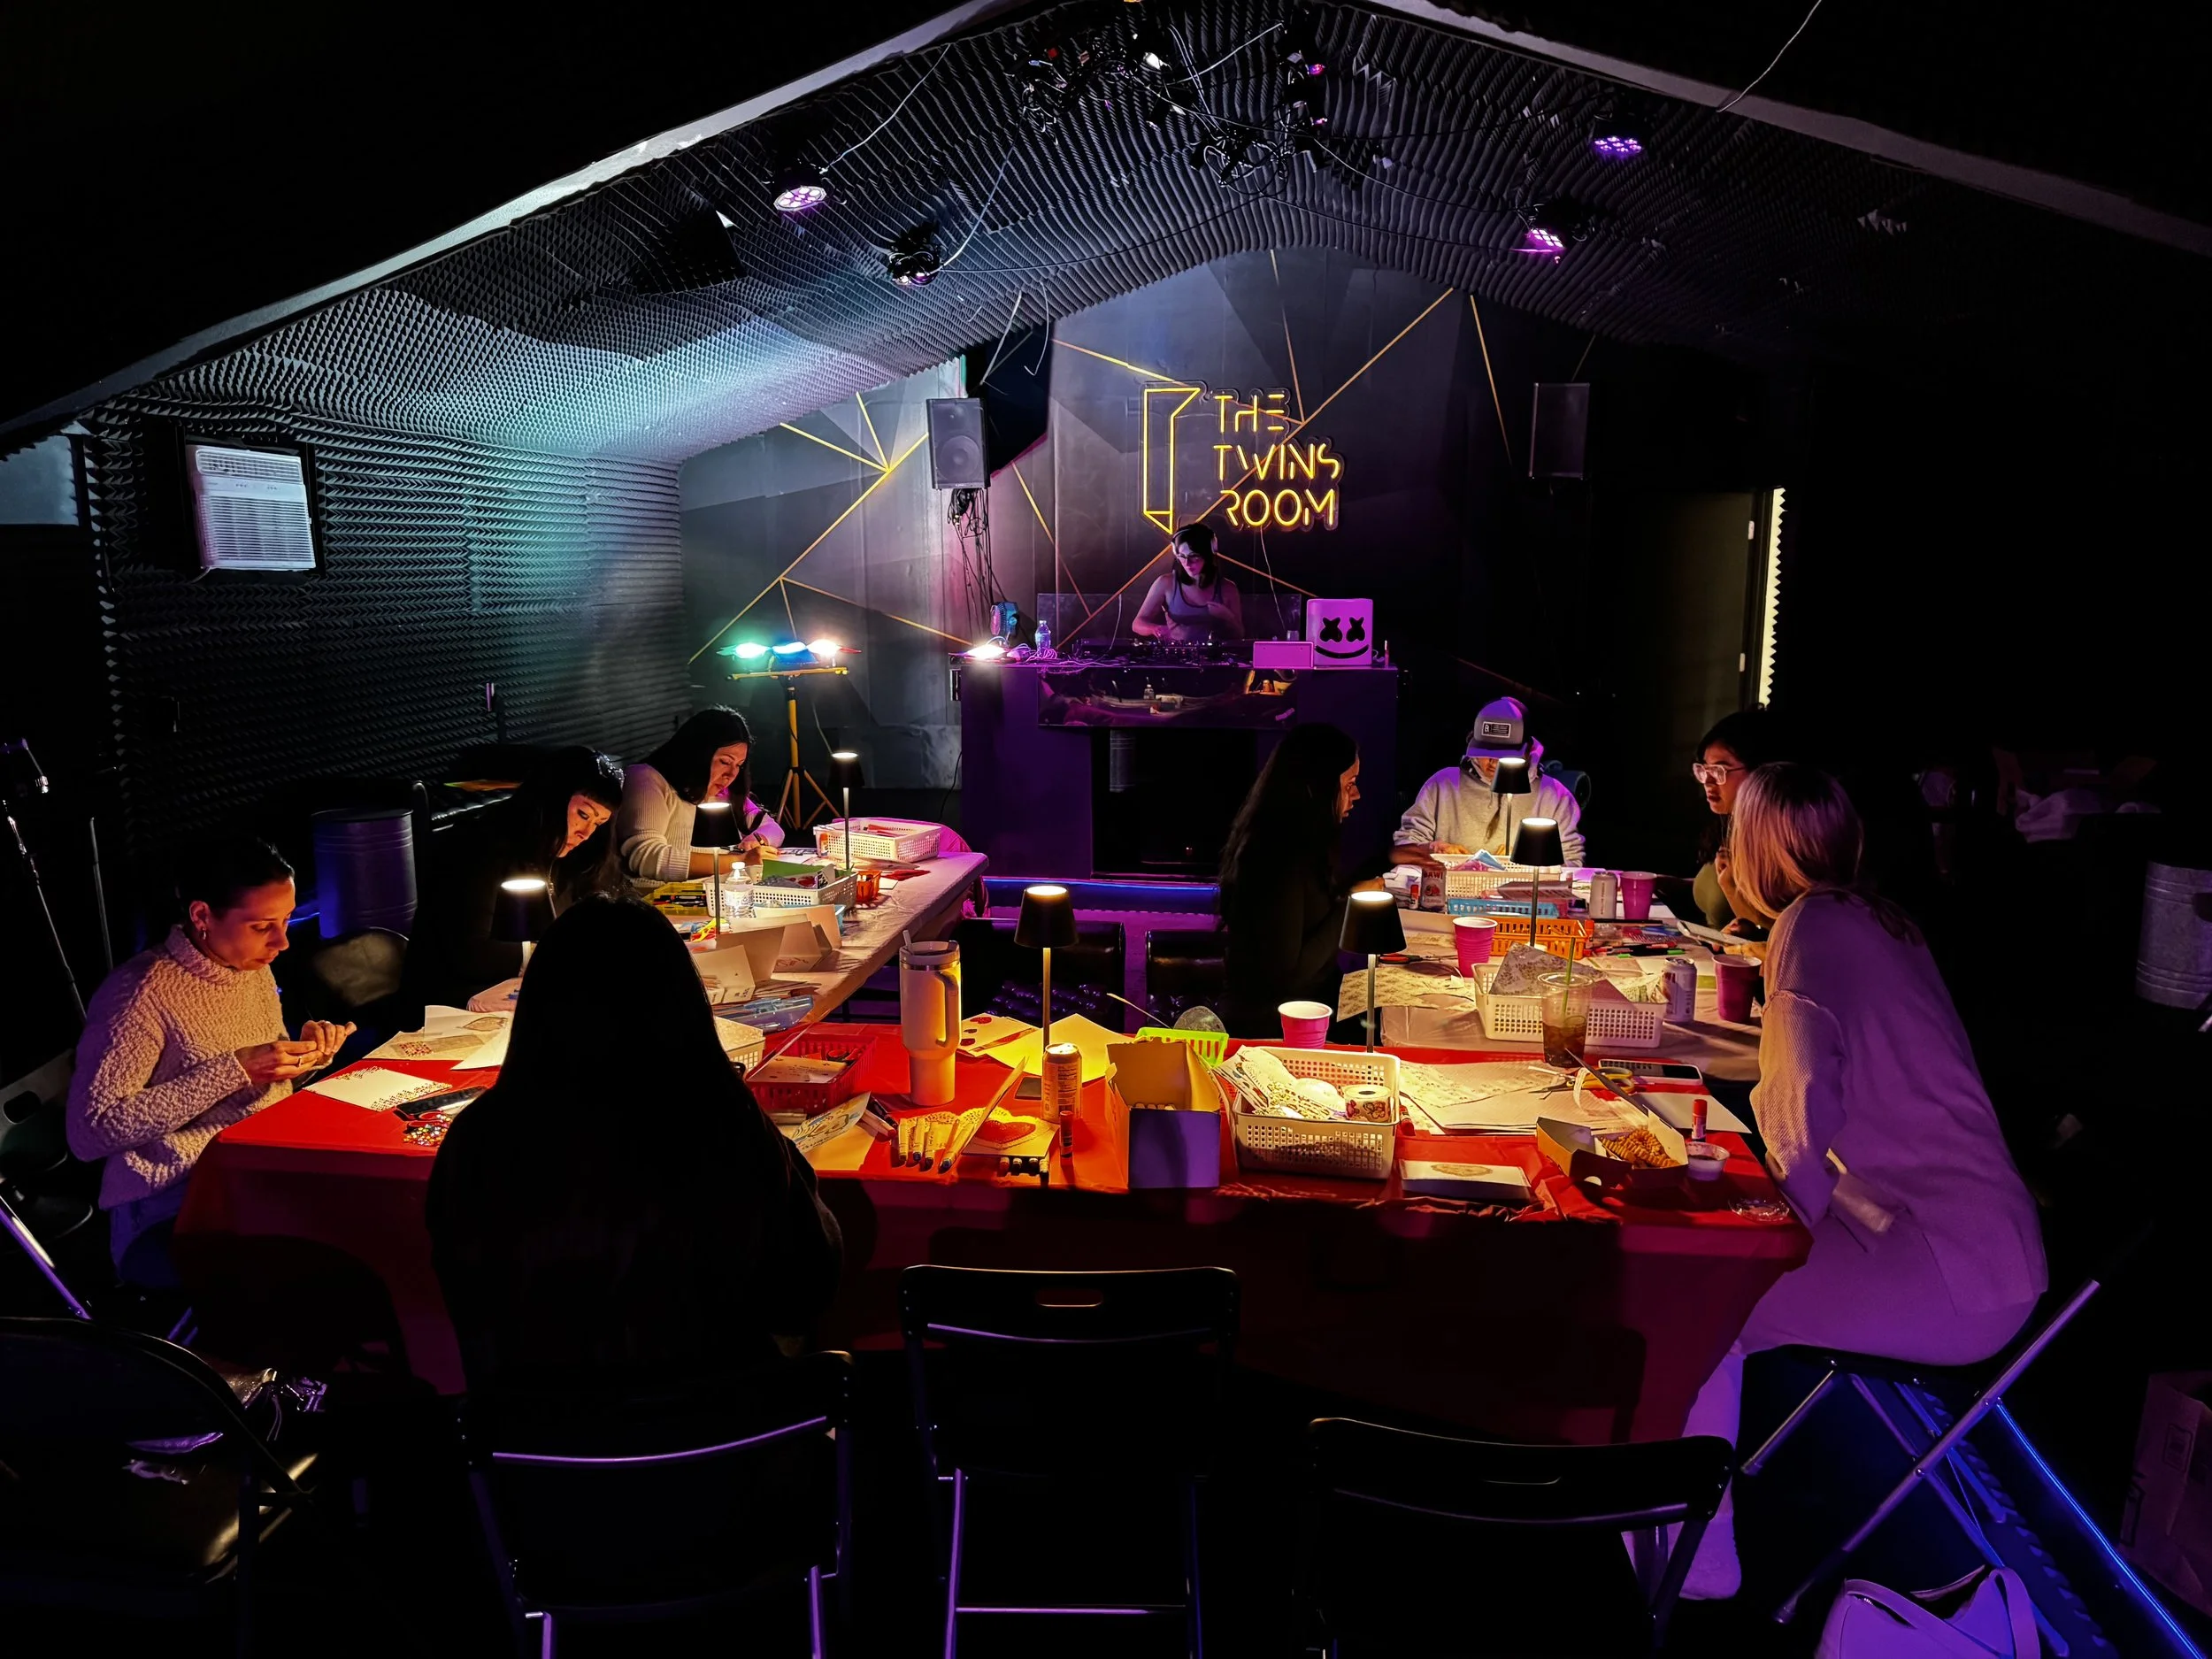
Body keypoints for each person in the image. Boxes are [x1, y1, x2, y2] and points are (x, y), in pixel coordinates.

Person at [1676, 764, 2046, 1598]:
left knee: (1698, 1298)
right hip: (1984, 1242)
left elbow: (1802, 1120)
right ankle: (1694, 1526)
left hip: (1948, 1267)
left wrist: (1750, 1249)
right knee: (1720, 1274)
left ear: (1755, 849)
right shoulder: (1881, 918)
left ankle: (1695, 1561)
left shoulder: (1809, 929)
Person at [425, 893, 842, 1402]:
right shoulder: (717, 1118)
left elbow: (467, 1308)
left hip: (542, 1457)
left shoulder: (478, 1138)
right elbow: (804, 1286)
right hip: (718, 1445)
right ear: (680, 1004)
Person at [66, 837, 352, 1286]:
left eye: (287, 920)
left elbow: (256, 1076)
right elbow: (91, 1130)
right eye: (262, 926)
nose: (282, 941)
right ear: (201, 916)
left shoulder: (250, 966)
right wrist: (233, 1070)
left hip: (257, 1168)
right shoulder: (140, 993)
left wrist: (305, 1057)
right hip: (177, 1201)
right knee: (332, 1252)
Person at [407, 746, 628, 1009]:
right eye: (583, 815)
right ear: (552, 797)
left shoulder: (570, 859)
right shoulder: (478, 847)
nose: (586, 834)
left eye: (598, 824)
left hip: (517, 995)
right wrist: (554, 952)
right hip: (447, 1006)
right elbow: (471, 953)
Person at [1217, 722, 1364, 1037]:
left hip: (1305, 1003)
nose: (1356, 795)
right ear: (1319, 784)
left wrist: (1389, 861)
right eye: (1349, 784)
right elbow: (1289, 976)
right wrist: (1352, 904)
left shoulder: (1301, 839)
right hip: (1276, 1023)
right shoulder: (1277, 858)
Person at [1392, 696, 1586, 868]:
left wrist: (1529, 861)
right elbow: (1405, 846)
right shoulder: (1442, 785)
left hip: (1524, 902)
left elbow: (1572, 863)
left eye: (1504, 756)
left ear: (1526, 751)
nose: (1493, 763)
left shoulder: (1554, 796)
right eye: (1486, 754)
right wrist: (1432, 850)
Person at [618, 706, 787, 883]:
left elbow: (773, 829)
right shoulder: (648, 778)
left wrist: (755, 841)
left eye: (739, 765)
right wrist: (739, 861)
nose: (731, 774)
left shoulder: (723, 793)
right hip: (658, 901)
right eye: (725, 761)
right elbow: (645, 856)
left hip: (717, 894)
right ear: (698, 753)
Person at [1688, 708, 1786, 930]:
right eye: (1704, 769)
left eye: (1721, 770)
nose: (1708, 781)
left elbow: (1779, 933)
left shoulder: (1779, 842)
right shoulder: (1730, 826)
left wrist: (1731, 888)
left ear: (1760, 771)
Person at [1133, 524, 1243, 642]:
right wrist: (1156, 629)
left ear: (1209, 554)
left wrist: (1228, 616)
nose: (1187, 563)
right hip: (1176, 657)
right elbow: (1137, 624)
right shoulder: (1166, 583)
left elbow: (1239, 634)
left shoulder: (1227, 588)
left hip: (1214, 658)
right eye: (1181, 556)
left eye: (1194, 556)